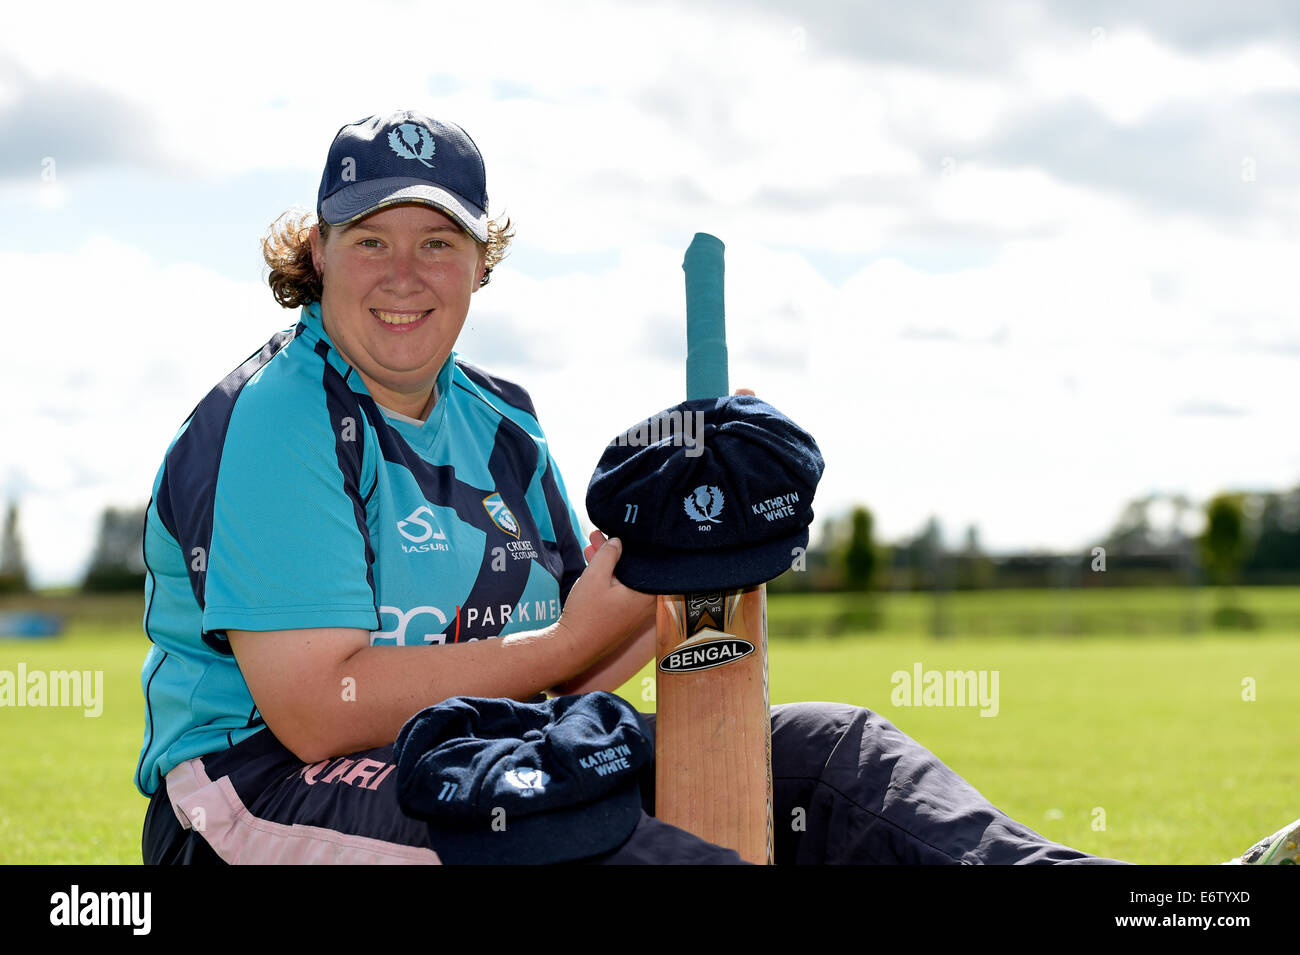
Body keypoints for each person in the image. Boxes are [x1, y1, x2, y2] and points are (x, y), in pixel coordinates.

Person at [135, 109, 1296, 865]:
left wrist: (687, 564)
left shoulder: (502, 423)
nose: (404, 274)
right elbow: (314, 708)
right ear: (316, 252)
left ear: (479, 262)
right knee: (600, 838)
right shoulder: (281, 418)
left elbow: (572, 650)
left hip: (484, 747)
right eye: (370, 239)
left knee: (836, 764)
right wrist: (564, 648)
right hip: (257, 791)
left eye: (436, 244)